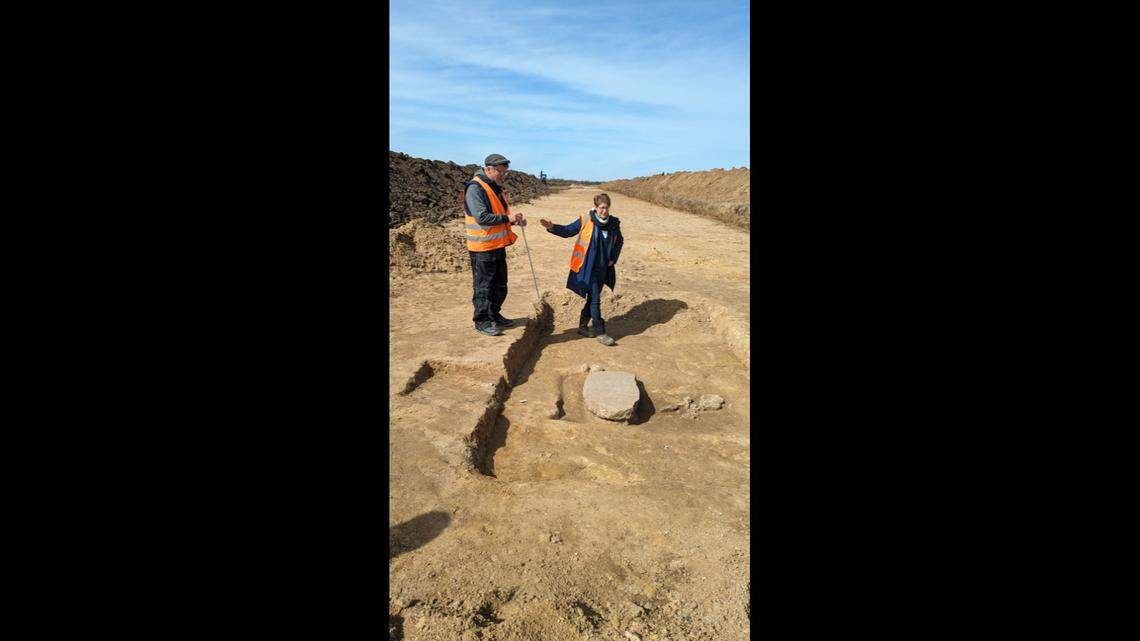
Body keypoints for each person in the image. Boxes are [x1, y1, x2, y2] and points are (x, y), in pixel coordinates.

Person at [539, 193, 624, 346]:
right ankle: (601, 332)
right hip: (588, 267)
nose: (604, 211)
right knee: (596, 299)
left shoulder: (614, 223)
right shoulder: (586, 220)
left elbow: (619, 241)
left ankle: (583, 327)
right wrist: (552, 227)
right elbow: (567, 231)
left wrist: (613, 258)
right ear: (596, 207)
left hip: (603, 268)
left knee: (592, 298)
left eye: (606, 208)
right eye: (601, 208)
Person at [463, 154, 527, 336]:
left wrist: (514, 222)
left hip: (497, 245)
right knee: (484, 286)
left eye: (505, 173)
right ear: (489, 168)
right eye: (501, 172)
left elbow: (500, 215)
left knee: (500, 284)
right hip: (482, 247)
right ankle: (482, 321)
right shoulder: (475, 189)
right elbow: (482, 217)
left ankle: (494, 314)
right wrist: (509, 218)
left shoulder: (495, 188)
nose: (503, 176)